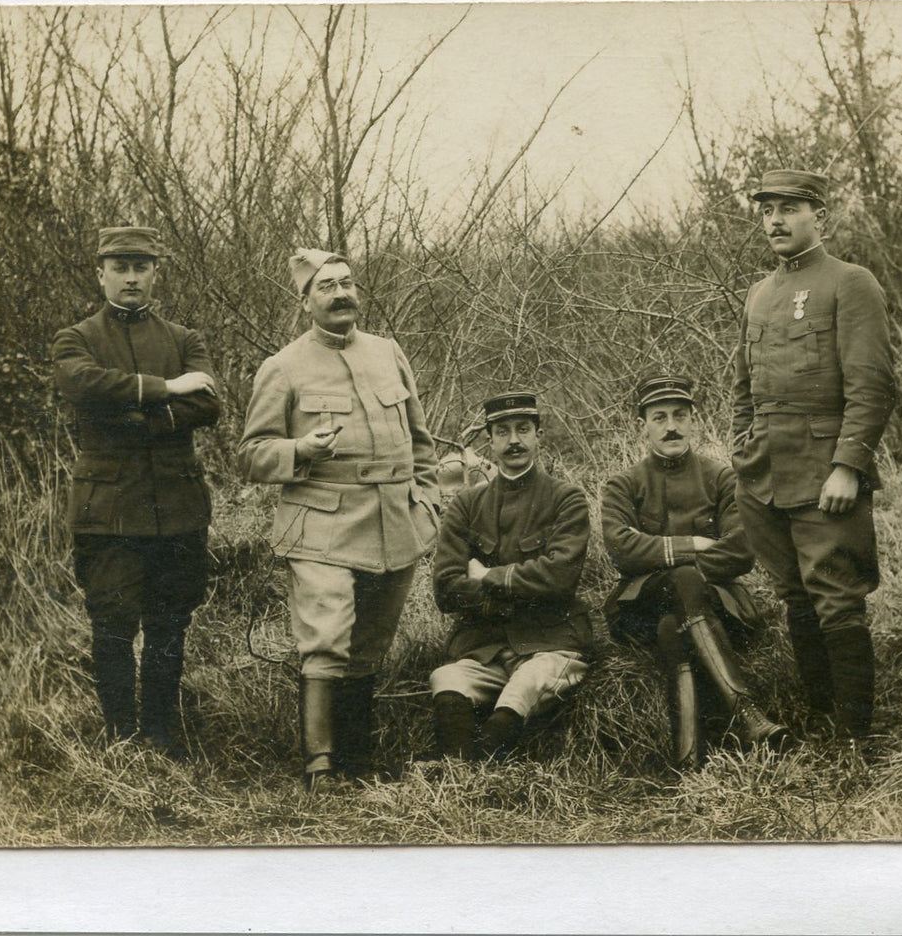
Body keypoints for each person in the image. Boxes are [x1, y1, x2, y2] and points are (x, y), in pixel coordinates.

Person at [238, 247, 439, 790]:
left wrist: (429, 500)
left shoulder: (388, 353)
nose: (341, 293)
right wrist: (300, 449)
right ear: (306, 301)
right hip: (321, 525)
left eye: (346, 283)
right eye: (326, 287)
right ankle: (321, 766)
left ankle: (359, 761)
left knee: (370, 644)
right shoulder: (283, 368)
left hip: (394, 521)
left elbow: (421, 441)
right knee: (327, 638)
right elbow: (251, 453)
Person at [730, 170, 896, 743]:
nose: (774, 220)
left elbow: (872, 384)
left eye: (789, 208)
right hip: (764, 476)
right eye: (767, 209)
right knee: (793, 595)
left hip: (826, 473)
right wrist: (741, 449)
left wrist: (849, 464)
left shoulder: (851, 283)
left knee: (836, 599)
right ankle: (823, 719)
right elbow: (742, 387)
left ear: (819, 216)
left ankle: (854, 739)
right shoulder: (759, 291)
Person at [52, 225, 220, 755]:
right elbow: (84, 386)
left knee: (171, 624)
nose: (130, 277)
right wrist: (167, 389)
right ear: (100, 272)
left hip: (177, 507)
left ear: (155, 273)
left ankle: (162, 732)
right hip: (109, 513)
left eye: (140, 267)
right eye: (120, 267)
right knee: (113, 626)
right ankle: (121, 737)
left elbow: (210, 403)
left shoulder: (184, 338)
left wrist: (131, 417)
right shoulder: (76, 338)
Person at [602, 374, 788, 768]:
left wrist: (662, 556)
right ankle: (747, 714)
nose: (671, 426)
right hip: (641, 607)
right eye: (659, 417)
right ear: (643, 426)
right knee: (682, 583)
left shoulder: (722, 477)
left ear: (694, 421)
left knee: (675, 626)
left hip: (718, 603)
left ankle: (687, 759)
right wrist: (692, 545)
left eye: (680, 415)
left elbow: (742, 549)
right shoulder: (623, 484)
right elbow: (620, 550)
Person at [424, 392, 593, 761]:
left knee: (527, 683)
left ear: (539, 434)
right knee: (447, 680)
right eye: (502, 431)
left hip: (549, 640)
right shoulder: (467, 506)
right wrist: (518, 586)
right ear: (489, 440)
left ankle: (487, 767)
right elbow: (446, 588)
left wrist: (487, 575)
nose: (513, 440)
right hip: (483, 646)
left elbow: (560, 578)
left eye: (523, 429)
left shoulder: (567, 499)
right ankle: (459, 777)